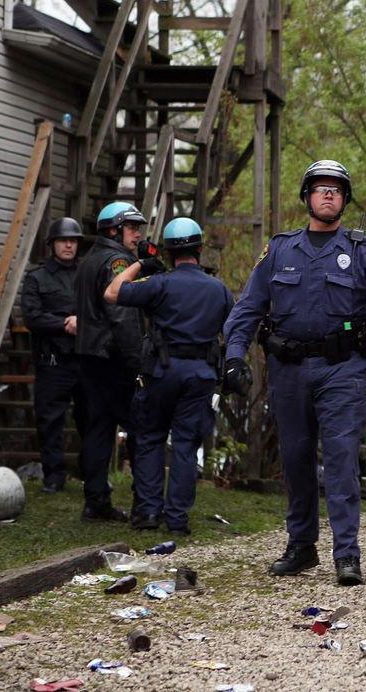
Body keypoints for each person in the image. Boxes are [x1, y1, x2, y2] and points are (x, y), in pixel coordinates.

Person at [222, 160, 366, 585]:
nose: (328, 195)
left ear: (345, 200)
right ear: (307, 197)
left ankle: (346, 554)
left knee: (342, 460)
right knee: (295, 459)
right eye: (320, 188)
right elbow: (248, 307)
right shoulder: (278, 250)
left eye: (336, 189)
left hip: (342, 370)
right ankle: (302, 545)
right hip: (288, 370)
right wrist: (234, 354)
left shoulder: (365, 251)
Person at [104, 218, 234, 535]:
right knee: (187, 445)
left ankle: (148, 513)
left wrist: (139, 265)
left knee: (149, 440)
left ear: (168, 251)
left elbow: (112, 292)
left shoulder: (159, 283)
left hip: (161, 372)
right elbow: (233, 330)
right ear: (200, 249)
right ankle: (177, 519)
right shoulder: (219, 289)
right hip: (201, 374)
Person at [74, 201, 147, 522]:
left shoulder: (89, 260)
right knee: (140, 428)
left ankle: (96, 501)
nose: (138, 234)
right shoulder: (118, 261)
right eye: (132, 227)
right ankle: (145, 501)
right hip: (115, 360)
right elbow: (123, 317)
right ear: (114, 230)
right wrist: (137, 362)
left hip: (90, 357)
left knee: (97, 430)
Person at [21, 218, 87, 493]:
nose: (69, 244)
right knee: (50, 421)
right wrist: (65, 324)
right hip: (52, 362)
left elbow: (105, 309)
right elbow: (32, 316)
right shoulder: (37, 278)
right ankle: (54, 476)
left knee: (92, 420)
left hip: (86, 360)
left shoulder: (88, 274)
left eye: (73, 240)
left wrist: (82, 321)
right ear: (52, 244)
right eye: (63, 240)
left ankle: (92, 476)